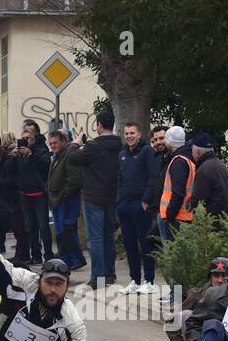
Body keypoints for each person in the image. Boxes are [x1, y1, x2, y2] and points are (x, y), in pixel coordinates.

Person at [67, 111, 122, 287]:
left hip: (93, 196)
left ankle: (97, 277)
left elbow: (73, 159)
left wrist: (75, 144)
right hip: (112, 195)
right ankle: (110, 274)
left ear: (99, 125)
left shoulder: (93, 146)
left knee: (95, 238)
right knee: (108, 236)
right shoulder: (120, 144)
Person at [116, 122, 157, 295]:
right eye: (126, 133)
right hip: (124, 204)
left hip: (140, 204)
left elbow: (153, 177)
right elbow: (118, 178)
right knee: (129, 243)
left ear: (139, 134)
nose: (129, 136)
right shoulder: (123, 153)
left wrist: (146, 199)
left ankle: (150, 281)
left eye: (132, 133)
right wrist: (119, 201)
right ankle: (135, 280)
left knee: (145, 243)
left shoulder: (147, 151)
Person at [165, 256, 228, 341]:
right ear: (210, 277)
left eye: (224, 276)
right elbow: (171, 322)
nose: (220, 280)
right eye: (216, 276)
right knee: (186, 315)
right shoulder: (197, 295)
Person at [45, 129, 85, 272]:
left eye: (55, 142)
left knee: (68, 230)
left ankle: (76, 259)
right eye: (50, 143)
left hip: (66, 200)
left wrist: (63, 195)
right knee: (61, 231)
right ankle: (66, 258)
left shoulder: (68, 155)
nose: (53, 146)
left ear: (63, 142)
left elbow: (74, 180)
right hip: (58, 200)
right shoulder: (57, 156)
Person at [14, 120, 53, 266]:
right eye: (23, 139)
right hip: (25, 194)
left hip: (39, 195)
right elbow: (14, 172)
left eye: (28, 139)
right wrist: (13, 156)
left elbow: (45, 164)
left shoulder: (39, 150)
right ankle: (35, 255)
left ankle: (48, 255)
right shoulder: (19, 153)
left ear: (34, 138)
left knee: (43, 226)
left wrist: (30, 153)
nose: (25, 141)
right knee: (30, 227)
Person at [158, 125, 195, 239]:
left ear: (169, 142)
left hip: (177, 218)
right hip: (185, 216)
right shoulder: (188, 159)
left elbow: (178, 192)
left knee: (174, 254)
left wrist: (169, 215)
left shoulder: (178, 161)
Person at [189, 133, 228, 219]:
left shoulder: (204, 169)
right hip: (224, 219)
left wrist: (187, 205)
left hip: (211, 223)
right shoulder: (220, 164)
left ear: (196, 152)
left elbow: (198, 201)